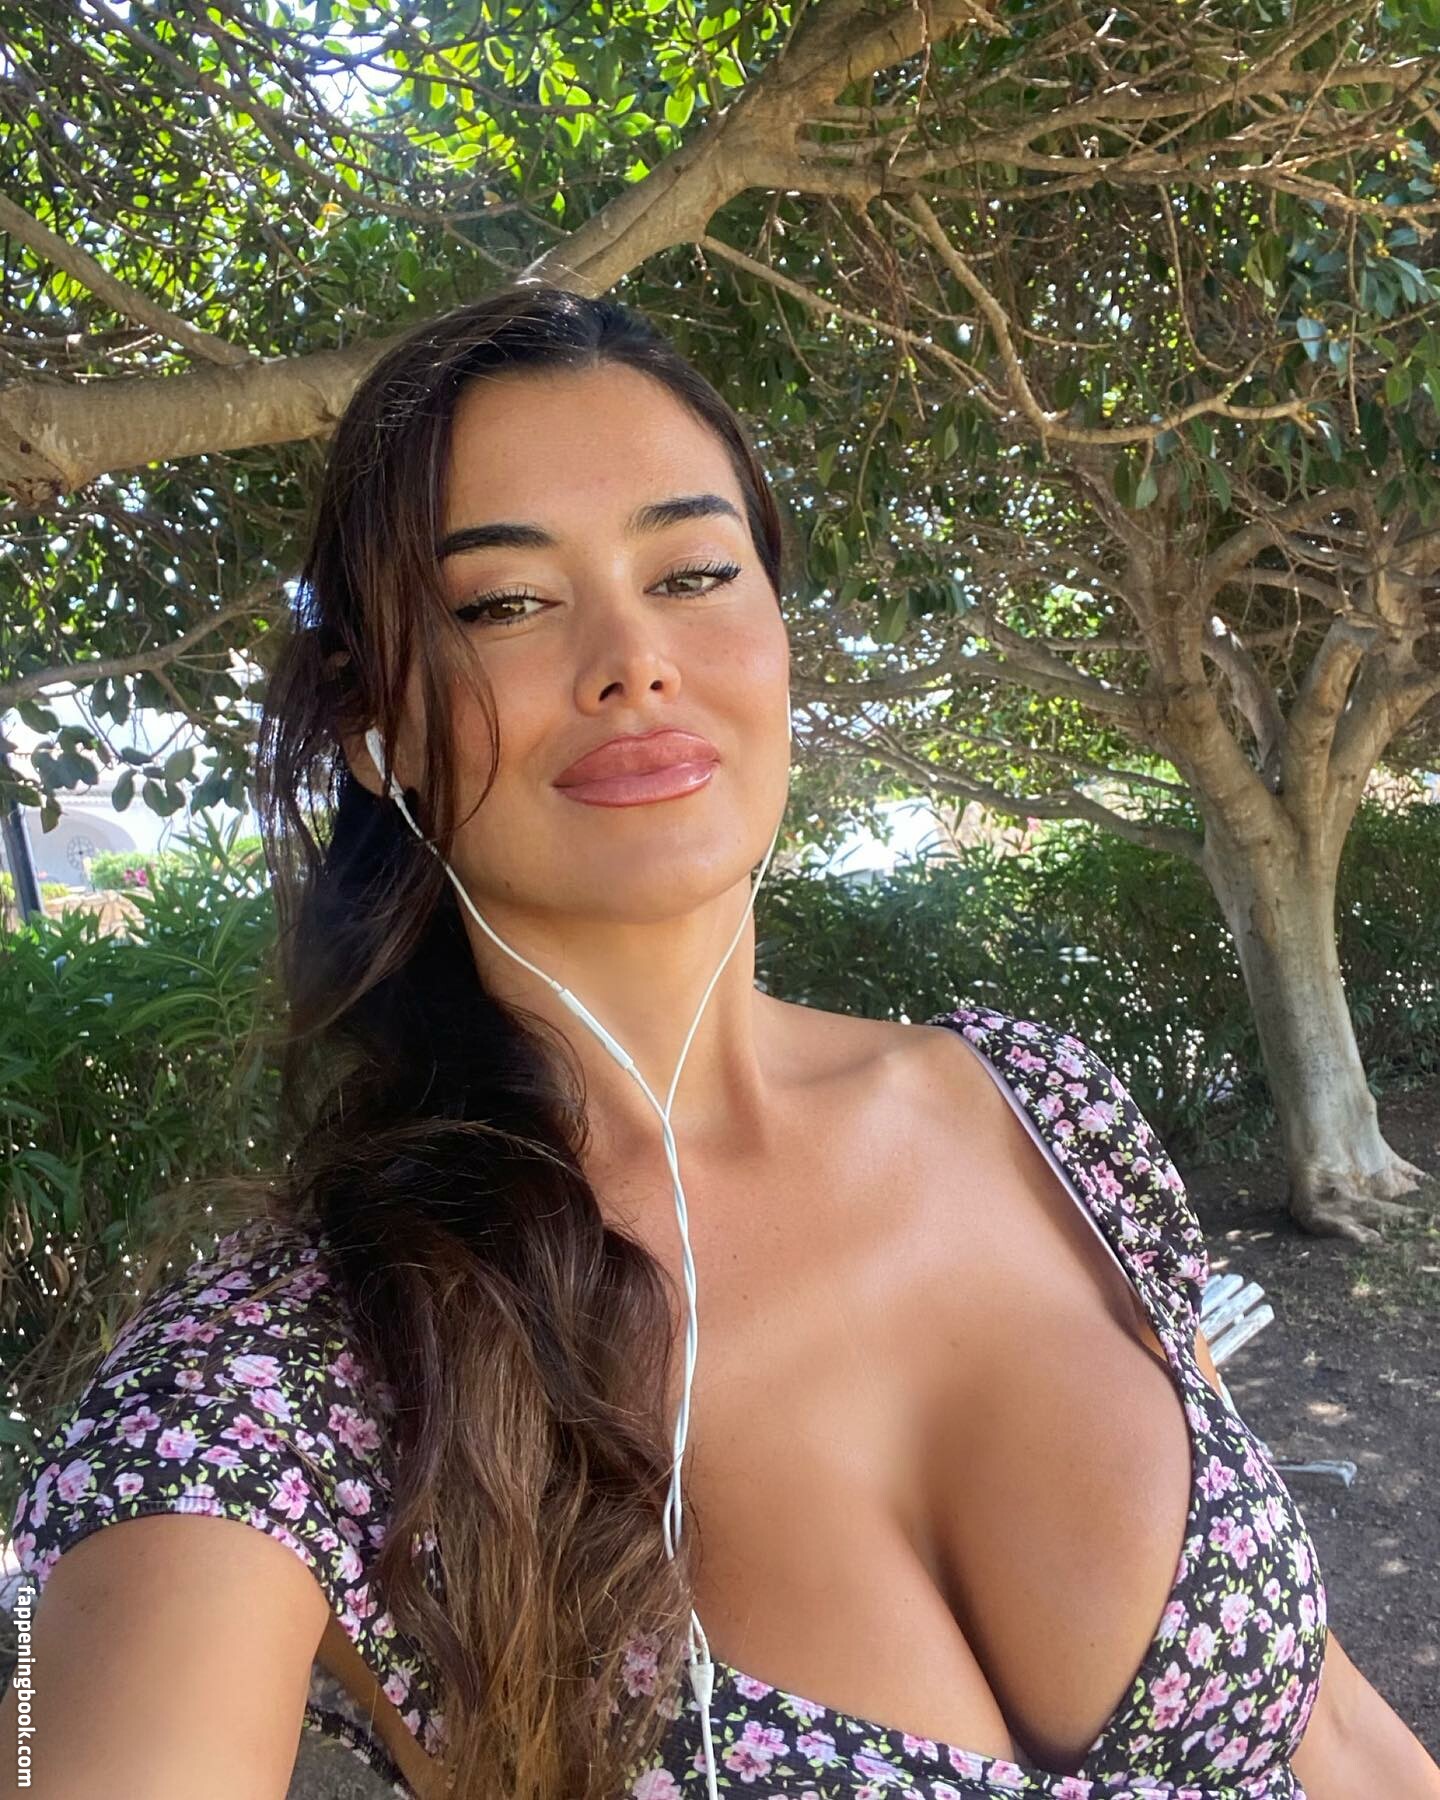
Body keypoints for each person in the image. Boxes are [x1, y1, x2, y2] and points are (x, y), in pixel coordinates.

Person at [3, 286, 1436, 1800]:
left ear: (778, 632)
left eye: (693, 573)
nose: (633, 659)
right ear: (381, 727)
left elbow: (1335, 1730)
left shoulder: (1042, 1113)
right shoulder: (288, 1374)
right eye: (502, 603)